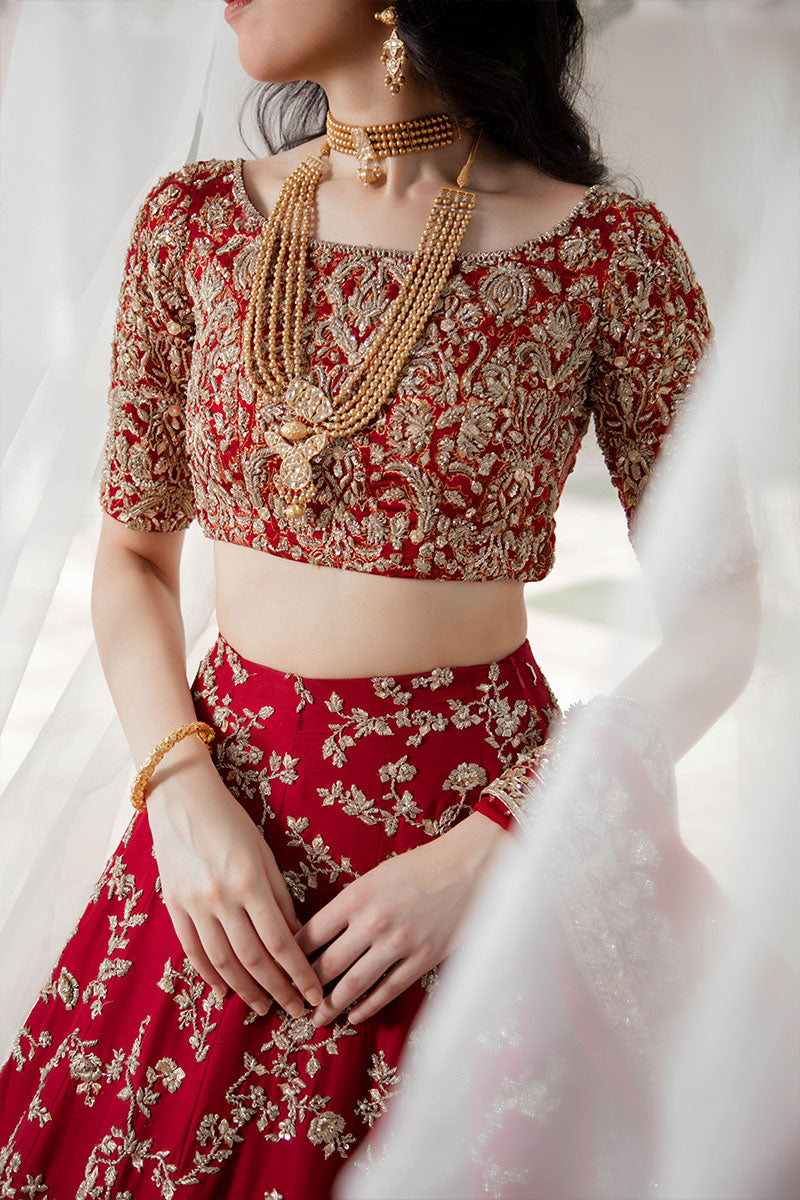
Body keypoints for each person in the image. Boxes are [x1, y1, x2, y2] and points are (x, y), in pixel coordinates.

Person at [0, 1, 763, 1197]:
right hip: (217, 866)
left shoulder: (602, 254)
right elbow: (135, 563)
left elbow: (720, 614)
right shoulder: (192, 225)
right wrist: (180, 787)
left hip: (484, 846)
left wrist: (504, 845)